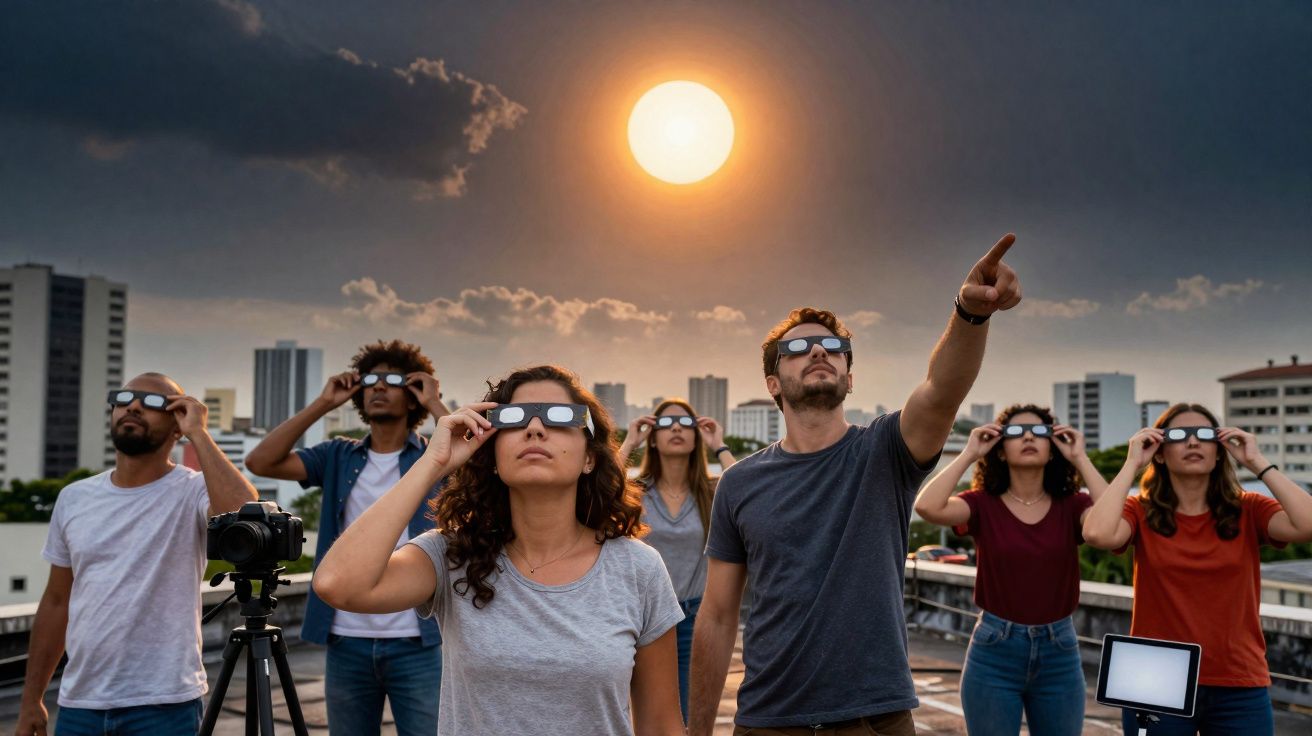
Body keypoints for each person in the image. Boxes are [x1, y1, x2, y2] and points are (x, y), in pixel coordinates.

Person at [689, 233, 1024, 736]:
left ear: (850, 378)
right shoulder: (739, 483)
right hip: (767, 721)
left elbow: (941, 389)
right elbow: (716, 616)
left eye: (834, 348)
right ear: (773, 383)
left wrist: (969, 314)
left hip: (876, 719)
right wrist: (697, 730)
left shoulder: (885, 452)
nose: (819, 353)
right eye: (797, 348)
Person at [312, 364, 686, 736]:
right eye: (514, 419)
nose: (535, 428)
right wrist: (432, 463)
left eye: (559, 419)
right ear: (491, 455)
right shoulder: (451, 555)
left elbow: (661, 724)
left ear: (589, 458)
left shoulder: (637, 567)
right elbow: (337, 584)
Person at [15, 373, 259, 736]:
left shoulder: (192, 492)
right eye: (124, 399)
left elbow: (244, 512)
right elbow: (56, 601)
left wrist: (200, 434)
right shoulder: (75, 498)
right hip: (81, 702)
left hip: (164, 703)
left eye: (154, 402)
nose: (133, 406)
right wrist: (31, 698)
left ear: (177, 425)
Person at [244, 339, 448, 736]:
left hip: (418, 640)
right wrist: (325, 403)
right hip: (346, 640)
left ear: (413, 395)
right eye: (371, 379)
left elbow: (484, 469)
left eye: (393, 380)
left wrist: (438, 405)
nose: (378, 387)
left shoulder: (435, 458)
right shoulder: (338, 456)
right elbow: (260, 461)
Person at [1082, 403, 1312, 735]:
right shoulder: (1140, 511)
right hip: (1153, 677)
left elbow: (1307, 524)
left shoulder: (1248, 508)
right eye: (1178, 435)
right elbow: (1097, 533)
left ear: (1219, 451)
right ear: (1159, 452)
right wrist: (1132, 463)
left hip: (1237, 676)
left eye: (1205, 435)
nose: (1193, 442)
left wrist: (1256, 462)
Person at [914, 405, 1108, 735]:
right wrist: (970, 452)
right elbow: (927, 506)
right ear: (1001, 451)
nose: (1029, 437)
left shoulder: (1073, 505)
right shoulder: (982, 504)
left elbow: (1109, 522)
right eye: (1016, 433)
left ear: (1052, 450)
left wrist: (1080, 458)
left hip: (1058, 649)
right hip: (994, 650)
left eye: (1040, 432)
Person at [619, 398, 736, 721]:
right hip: (637, 617)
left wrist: (719, 445)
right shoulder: (636, 492)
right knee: (634, 715)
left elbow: (752, 492)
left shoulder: (711, 492)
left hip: (692, 618)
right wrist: (629, 441)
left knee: (683, 718)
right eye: (665, 423)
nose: (675, 428)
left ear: (696, 437)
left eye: (685, 424)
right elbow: (595, 491)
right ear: (652, 437)